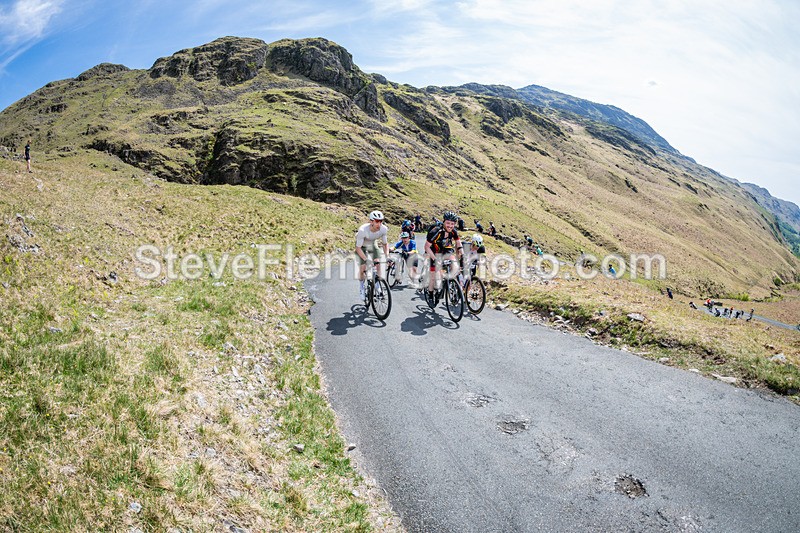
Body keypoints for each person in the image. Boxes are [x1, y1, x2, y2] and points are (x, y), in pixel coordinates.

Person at [425, 211, 463, 301]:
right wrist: (434, 259)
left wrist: (462, 254)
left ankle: (454, 285)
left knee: (455, 264)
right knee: (433, 275)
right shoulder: (436, 231)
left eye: (452, 224)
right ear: (443, 222)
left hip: (446, 250)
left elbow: (458, 242)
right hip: (434, 252)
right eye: (448, 223)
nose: (450, 226)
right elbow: (426, 247)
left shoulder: (453, 231)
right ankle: (430, 294)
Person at [355, 211, 390, 300]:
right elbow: (358, 248)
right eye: (377, 221)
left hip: (372, 244)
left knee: (378, 263)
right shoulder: (362, 230)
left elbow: (385, 244)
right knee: (363, 268)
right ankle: (361, 287)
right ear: (371, 221)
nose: (379, 224)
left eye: (381, 221)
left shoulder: (383, 229)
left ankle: (377, 284)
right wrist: (366, 259)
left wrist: (387, 256)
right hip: (362, 246)